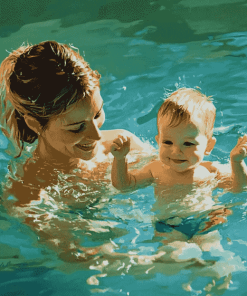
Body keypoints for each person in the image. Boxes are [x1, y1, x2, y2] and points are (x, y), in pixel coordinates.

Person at [0, 40, 154, 262]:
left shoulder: (122, 144)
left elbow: (178, 171)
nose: (97, 136)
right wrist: (155, 258)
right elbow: (76, 258)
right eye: (77, 128)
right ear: (35, 125)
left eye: (97, 114)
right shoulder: (27, 193)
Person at [111, 88, 247, 242]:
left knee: (213, 258)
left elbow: (239, 187)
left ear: (208, 146)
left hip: (206, 220)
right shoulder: (154, 170)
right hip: (169, 224)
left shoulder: (210, 170)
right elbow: (123, 185)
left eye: (188, 144)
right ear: (158, 141)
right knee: (171, 258)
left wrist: (237, 162)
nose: (176, 151)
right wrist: (120, 159)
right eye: (167, 142)